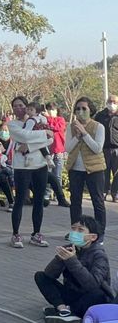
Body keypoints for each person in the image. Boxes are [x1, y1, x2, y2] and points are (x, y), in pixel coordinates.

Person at [35, 216, 114, 323]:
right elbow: (50, 275)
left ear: (93, 237)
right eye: (73, 229)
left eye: (80, 230)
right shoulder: (71, 248)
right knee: (40, 276)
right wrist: (60, 259)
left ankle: (70, 312)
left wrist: (72, 261)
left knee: (98, 294)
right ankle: (64, 310)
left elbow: (92, 285)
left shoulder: (99, 255)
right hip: (73, 293)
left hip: (90, 298)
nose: (75, 233)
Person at [8, 95, 53, 249]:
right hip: (22, 166)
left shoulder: (39, 120)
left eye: (21, 105)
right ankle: (16, 233)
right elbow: (24, 135)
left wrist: (30, 146)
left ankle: (36, 233)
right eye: (15, 106)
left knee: (39, 200)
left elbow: (50, 140)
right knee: (19, 200)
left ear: (28, 107)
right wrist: (43, 134)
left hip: (40, 164)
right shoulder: (13, 124)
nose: (18, 108)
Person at [65, 96, 107, 241]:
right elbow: (67, 148)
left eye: (84, 108)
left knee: (98, 201)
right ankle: (76, 232)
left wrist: (84, 133)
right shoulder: (71, 126)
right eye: (78, 109)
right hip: (75, 169)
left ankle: (99, 233)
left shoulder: (98, 126)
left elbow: (97, 148)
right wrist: (76, 136)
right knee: (75, 201)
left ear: (91, 110)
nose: (80, 111)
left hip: (94, 169)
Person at [94, 94, 118, 203]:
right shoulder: (100, 115)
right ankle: (103, 192)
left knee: (116, 172)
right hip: (104, 148)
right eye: (110, 101)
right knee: (104, 172)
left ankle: (115, 194)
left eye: (114, 102)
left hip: (117, 148)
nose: (112, 104)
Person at [24, 102, 55, 169]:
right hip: (42, 138)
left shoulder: (31, 120)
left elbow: (26, 132)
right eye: (28, 109)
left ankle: (28, 160)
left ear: (37, 112)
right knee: (42, 147)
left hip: (33, 138)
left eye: (31, 110)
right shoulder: (41, 118)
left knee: (29, 148)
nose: (29, 111)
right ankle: (48, 158)